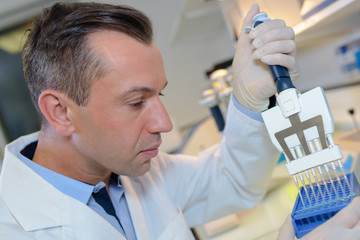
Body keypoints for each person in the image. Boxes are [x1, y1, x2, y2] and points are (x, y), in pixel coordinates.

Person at [0, 1, 358, 240]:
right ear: (60, 112)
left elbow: (232, 180)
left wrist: (248, 101)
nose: (165, 123)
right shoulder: (12, 227)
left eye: (161, 94)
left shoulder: (136, 173)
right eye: (137, 101)